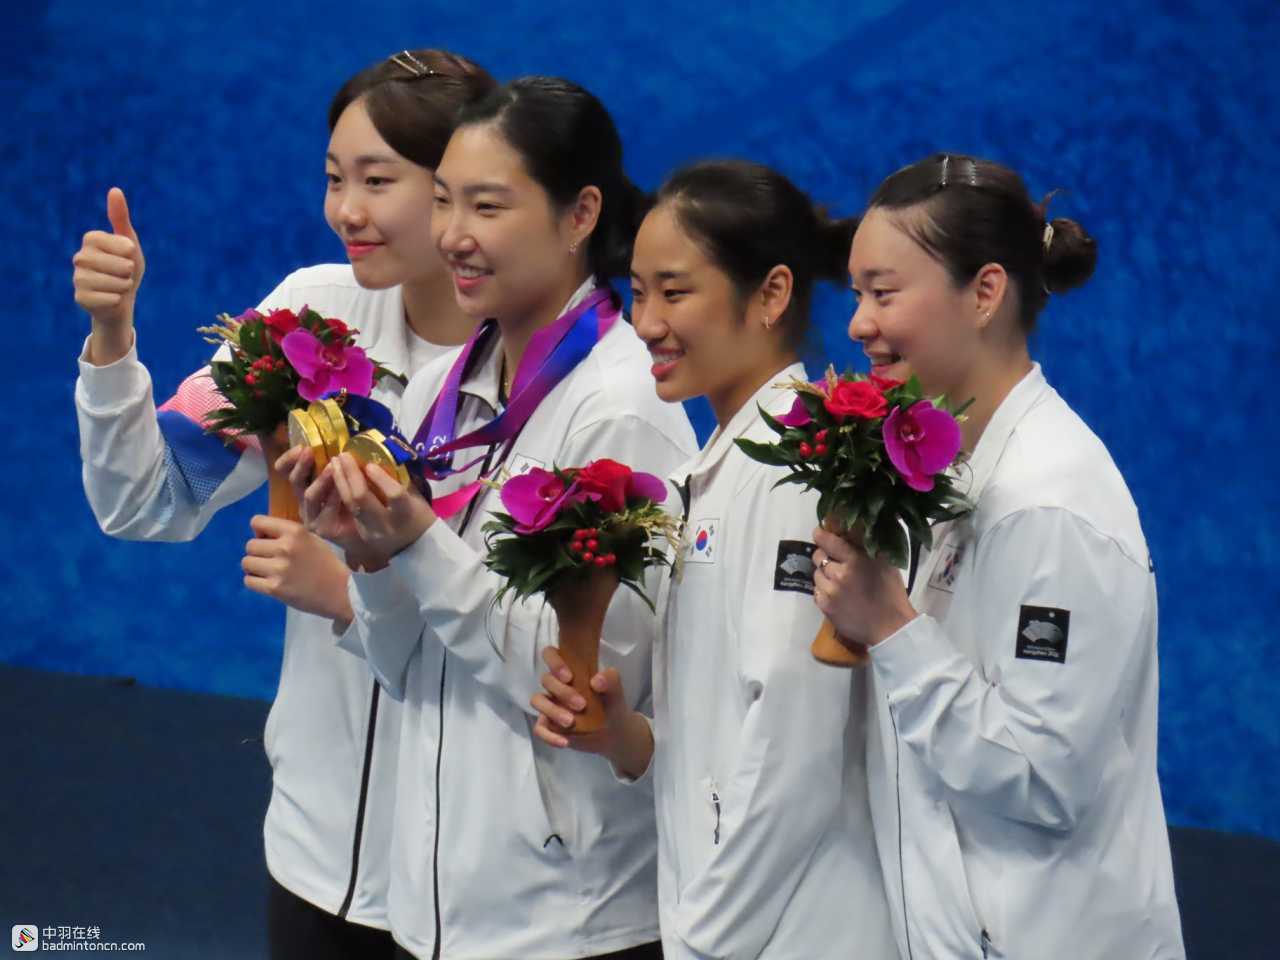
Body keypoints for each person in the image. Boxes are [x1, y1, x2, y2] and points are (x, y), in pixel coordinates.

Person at [71, 49, 496, 959]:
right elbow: (147, 498)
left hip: (479, 876)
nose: (346, 210)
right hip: (312, 847)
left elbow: (534, 644)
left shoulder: (549, 365)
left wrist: (344, 595)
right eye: (335, 178)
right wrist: (112, 338)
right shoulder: (307, 317)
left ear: (459, 188)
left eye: (377, 180)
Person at [289, 76, 696, 959]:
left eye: (486, 205)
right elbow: (401, 666)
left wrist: (418, 543)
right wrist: (372, 559)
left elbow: (584, 689)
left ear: (580, 213)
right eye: (443, 201)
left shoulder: (622, 410)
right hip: (436, 909)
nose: (453, 235)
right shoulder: (445, 389)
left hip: (564, 922)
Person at [810, 152, 1185, 959]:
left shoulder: (1049, 502)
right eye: (855, 294)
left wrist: (892, 630)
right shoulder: (957, 469)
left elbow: (1041, 779)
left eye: (884, 293)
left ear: (984, 292)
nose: (858, 325)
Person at [529, 159, 898, 959]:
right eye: (637, 293)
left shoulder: (800, 474)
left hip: (783, 934)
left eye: (675, 292)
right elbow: (721, 738)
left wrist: (704, 944)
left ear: (771, 294)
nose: (645, 323)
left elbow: (796, 748)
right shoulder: (723, 466)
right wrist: (627, 738)